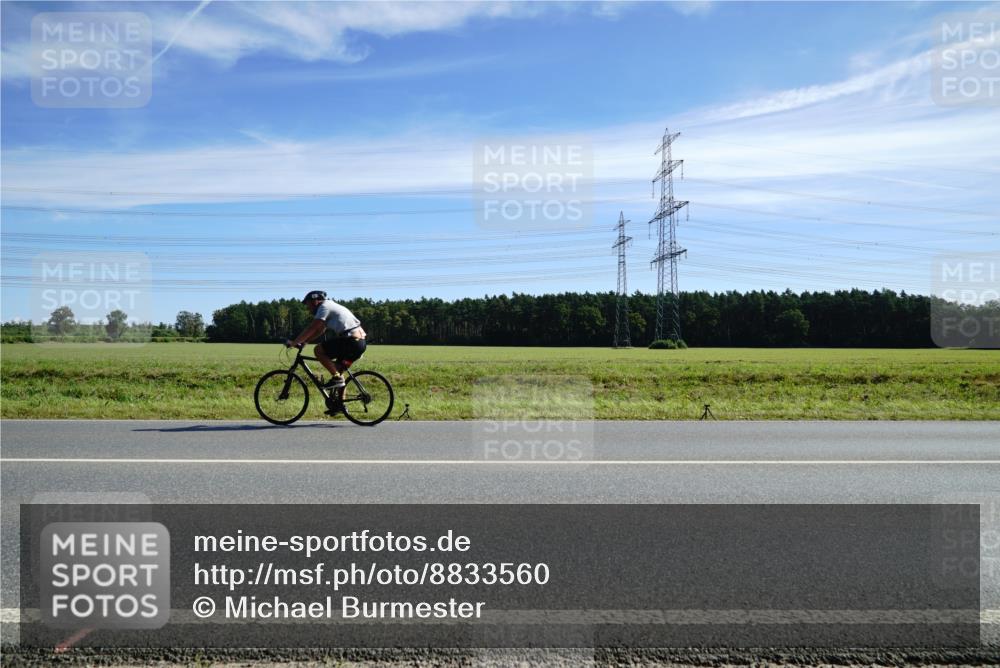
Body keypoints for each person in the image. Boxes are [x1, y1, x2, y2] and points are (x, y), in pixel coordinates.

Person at [286, 291, 366, 415]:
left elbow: (312, 327)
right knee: (338, 371)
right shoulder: (329, 306)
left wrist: (294, 342)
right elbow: (320, 330)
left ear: (315, 301)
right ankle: (340, 405)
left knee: (318, 350)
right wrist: (304, 342)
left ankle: (337, 378)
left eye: (308, 305)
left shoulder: (324, 307)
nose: (307, 308)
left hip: (351, 341)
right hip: (358, 343)